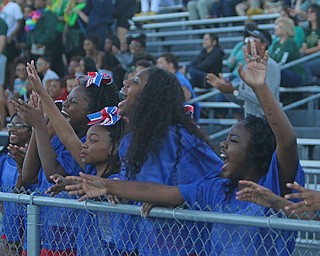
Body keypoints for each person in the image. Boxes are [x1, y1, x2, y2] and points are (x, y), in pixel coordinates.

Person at [66, 41, 305, 255]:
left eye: (233, 140)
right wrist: (110, 186)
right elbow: (159, 191)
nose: (222, 144)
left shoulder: (272, 184)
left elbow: (287, 142)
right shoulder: (216, 189)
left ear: (255, 150)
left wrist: (260, 88)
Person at [77, 65, 222, 255]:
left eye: (136, 81)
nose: (126, 82)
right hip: (142, 243)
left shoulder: (181, 139)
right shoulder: (129, 141)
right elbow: (138, 186)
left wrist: (173, 199)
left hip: (184, 245)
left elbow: (216, 186)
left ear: (152, 97)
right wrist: (119, 188)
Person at [13, 61, 120, 255]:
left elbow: (52, 173)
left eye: (74, 102)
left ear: (91, 112)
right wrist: (42, 125)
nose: (65, 103)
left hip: (68, 233)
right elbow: (29, 176)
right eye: (67, 98)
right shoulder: (55, 136)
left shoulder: (86, 147)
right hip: (44, 225)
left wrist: (39, 124)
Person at [207, 29, 280, 117]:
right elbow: (243, 101)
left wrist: (235, 91)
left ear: (263, 44)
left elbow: (267, 100)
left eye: (252, 40)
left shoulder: (271, 65)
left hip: (269, 122)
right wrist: (227, 90)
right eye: (247, 40)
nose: (248, 43)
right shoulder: (247, 66)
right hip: (252, 122)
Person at [0, 114, 32, 256]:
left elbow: (23, 190)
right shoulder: (3, 158)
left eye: (19, 126)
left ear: (31, 131)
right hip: (9, 223)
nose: (13, 129)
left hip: (30, 222)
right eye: (11, 125)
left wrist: (22, 166)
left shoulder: (37, 160)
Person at [156, 52, 201, 122]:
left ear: (170, 64)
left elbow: (186, 98)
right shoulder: (169, 79)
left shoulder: (180, 79)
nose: (157, 65)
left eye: (161, 63)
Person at [269, 17, 305, 87]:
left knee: (272, 72)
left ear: (286, 28)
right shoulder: (277, 43)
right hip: (281, 71)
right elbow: (271, 59)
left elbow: (282, 62)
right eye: (275, 25)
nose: (275, 28)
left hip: (295, 74)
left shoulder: (290, 42)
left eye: (279, 26)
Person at [300, 4, 320, 84]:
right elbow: (304, 46)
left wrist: (304, 51)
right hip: (309, 57)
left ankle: (313, 83)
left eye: (312, 11)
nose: (309, 13)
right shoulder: (308, 31)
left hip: (317, 57)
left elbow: (319, 48)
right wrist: (303, 51)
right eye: (307, 12)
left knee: (306, 67)